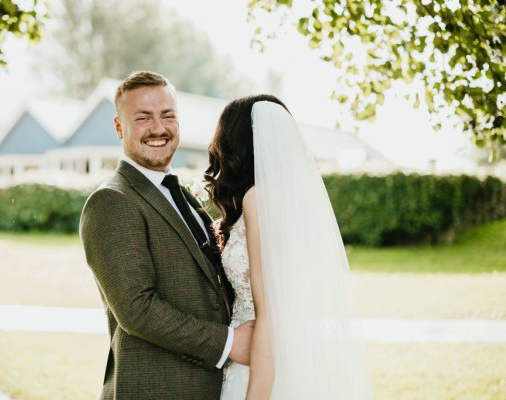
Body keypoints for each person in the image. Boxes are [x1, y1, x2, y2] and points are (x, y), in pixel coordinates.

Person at [79, 71, 254, 400]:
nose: (158, 128)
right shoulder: (111, 201)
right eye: (143, 118)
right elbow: (137, 309)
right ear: (119, 128)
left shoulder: (181, 195)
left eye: (167, 115)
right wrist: (230, 344)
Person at [204, 94, 374, 399]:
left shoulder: (258, 199)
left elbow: (269, 312)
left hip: (260, 367)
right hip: (294, 358)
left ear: (235, 143)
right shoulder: (296, 202)